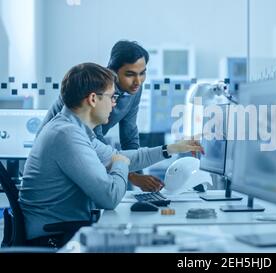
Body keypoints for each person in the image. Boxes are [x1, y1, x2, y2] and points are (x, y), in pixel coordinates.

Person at [19, 63, 204, 247]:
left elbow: (120, 157)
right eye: (112, 96)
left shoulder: (73, 129)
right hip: (52, 239)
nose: (114, 104)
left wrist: (170, 149)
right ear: (93, 99)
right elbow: (109, 197)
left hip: (62, 230)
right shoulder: (66, 135)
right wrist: (120, 164)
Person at [38, 40, 163, 192]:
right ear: (113, 71)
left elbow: (129, 136)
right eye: (130, 74)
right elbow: (96, 140)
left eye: (142, 73)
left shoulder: (133, 90)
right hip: (60, 153)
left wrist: (138, 177)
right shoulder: (95, 87)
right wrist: (132, 177)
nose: (138, 81)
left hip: (90, 147)